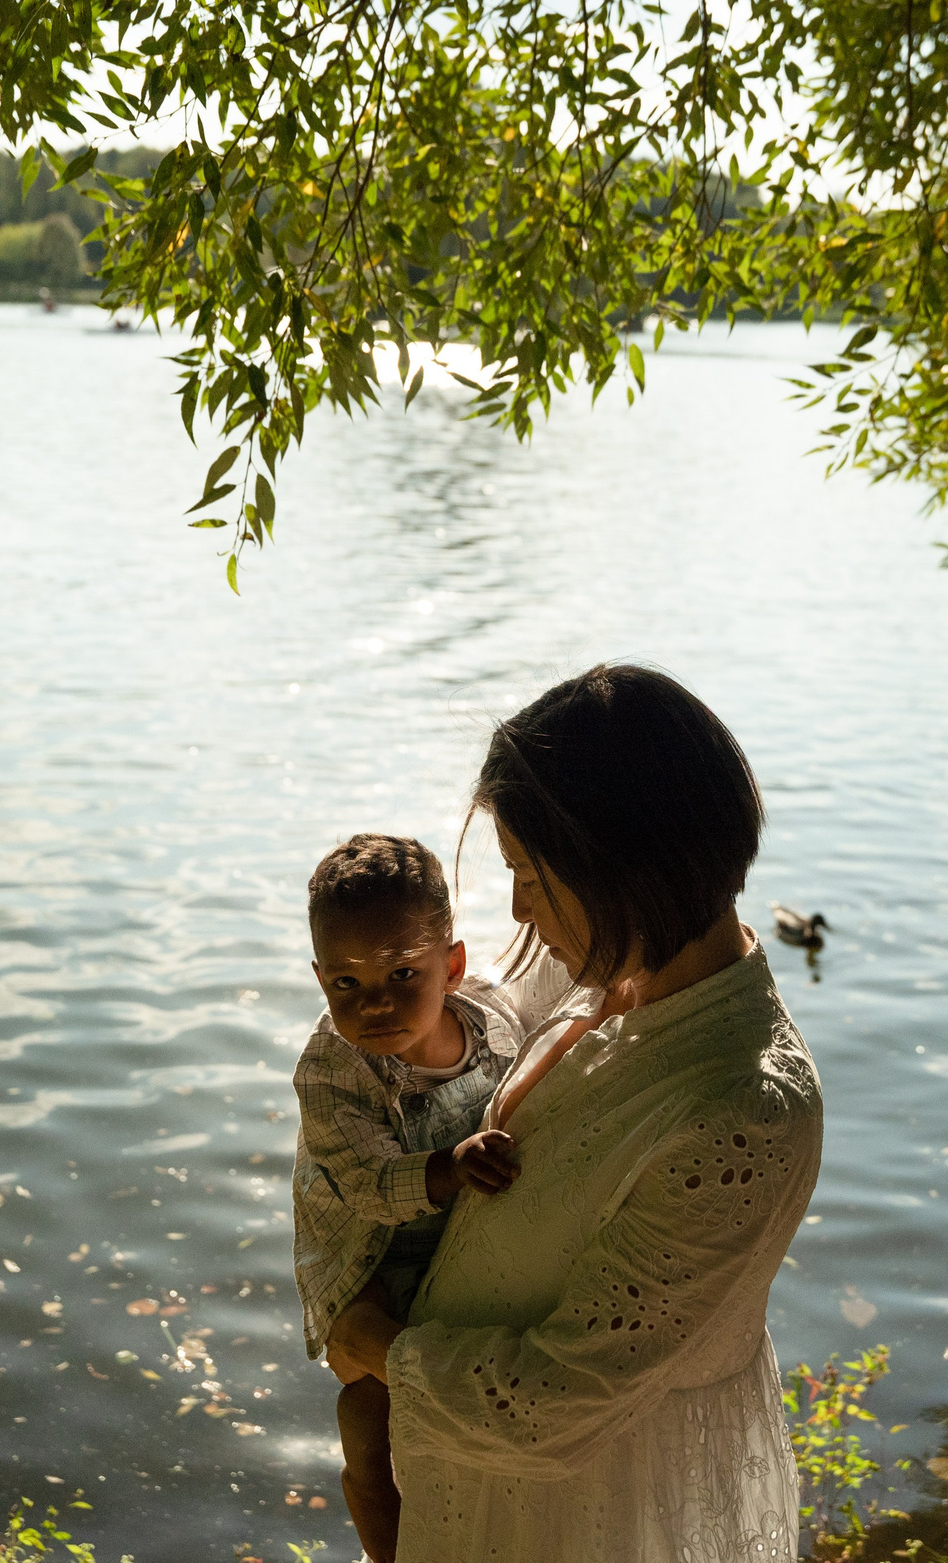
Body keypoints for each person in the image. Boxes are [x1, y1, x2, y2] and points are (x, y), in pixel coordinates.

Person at [322, 665, 824, 1562]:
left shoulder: (744, 1110)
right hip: (485, 1482)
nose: (516, 907)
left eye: (529, 873)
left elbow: (557, 1404)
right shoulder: (606, 970)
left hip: (585, 1511)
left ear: (620, 866)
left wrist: (382, 1347)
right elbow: (442, 1026)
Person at [289, 834, 542, 1563]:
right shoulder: (332, 1071)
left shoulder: (492, 1026)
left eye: (403, 972)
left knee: (448, 1409)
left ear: (452, 966)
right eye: (346, 985)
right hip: (364, 1256)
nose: (376, 1004)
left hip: (452, 1235)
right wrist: (448, 1166)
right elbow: (367, 1184)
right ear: (320, 979)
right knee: (369, 1422)